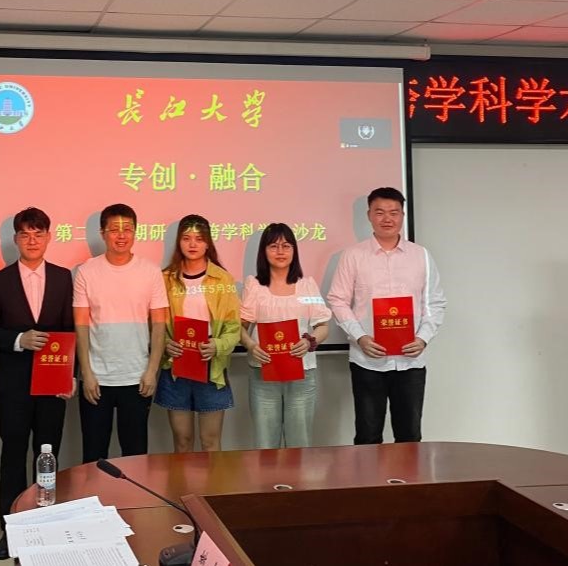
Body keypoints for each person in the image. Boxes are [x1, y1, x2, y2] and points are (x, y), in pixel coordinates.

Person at [0, 208, 75, 561]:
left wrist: (71, 375)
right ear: (15, 239)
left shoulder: (63, 278)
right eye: (25, 234)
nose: (32, 240)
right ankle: (12, 530)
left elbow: (71, 331)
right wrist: (19, 340)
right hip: (14, 385)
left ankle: (45, 525)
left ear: (48, 237)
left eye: (38, 233)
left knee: (48, 455)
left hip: (53, 383)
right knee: (13, 455)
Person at [326, 187, 446, 445]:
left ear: (402, 215)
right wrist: (360, 337)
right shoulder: (353, 256)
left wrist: (423, 338)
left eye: (394, 212)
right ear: (369, 215)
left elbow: (435, 302)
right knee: (368, 436)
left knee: (409, 435)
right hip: (367, 360)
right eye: (379, 212)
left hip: (410, 361)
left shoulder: (421, 255)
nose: (387, 218)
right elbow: (337, 300)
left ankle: (409, 475)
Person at [73, 203, 168, 463]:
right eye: (114, 229)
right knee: (93, 456)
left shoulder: (150, 272)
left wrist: (152, 370)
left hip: (137, 377)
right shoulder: (87, 271)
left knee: (135, 456)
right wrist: (86, 373)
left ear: (136, 232)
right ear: (102, 233)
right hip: (97, 379)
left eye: (128, 229)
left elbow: (159, 325)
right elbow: (81, 326)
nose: (121, 235)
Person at [239, 223, 331, 449]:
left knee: (299, 443)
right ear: (264, 251)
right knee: (265, 444)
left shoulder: (307, 286)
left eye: (286, 246)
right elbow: (240, 327)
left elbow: (323, 325)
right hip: (263, 373)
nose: (280, 251)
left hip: (301, 373)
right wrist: (251, 345)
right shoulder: (254, 286)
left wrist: (309, 341)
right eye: (273, 246)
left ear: (294, 250)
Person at [155, 215, 241, 452]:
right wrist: (165, 342)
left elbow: (234, 328)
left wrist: (218, 345)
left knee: (210, 442)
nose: (192, 244)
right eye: (186, 238)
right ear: (178, 242)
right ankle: (182, 481)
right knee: (182, 441)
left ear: (208, 243)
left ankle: (212, 481)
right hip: (176, 366)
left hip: (211, 366)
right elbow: (154, 322)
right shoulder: (165, 279)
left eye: (199, 239)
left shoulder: (222, 279)